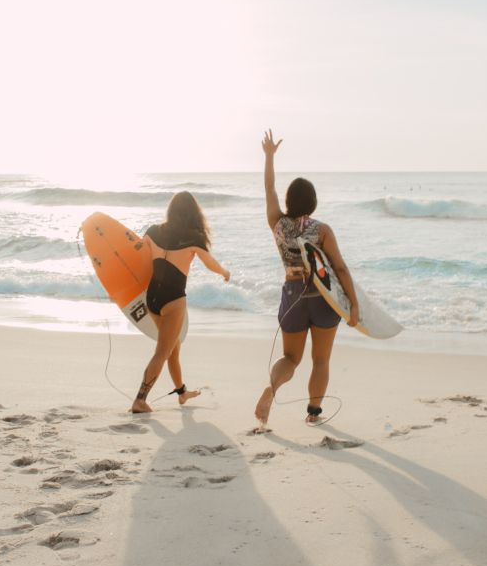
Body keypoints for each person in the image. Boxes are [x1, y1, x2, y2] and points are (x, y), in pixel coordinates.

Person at [254, 130, 358, 431]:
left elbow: (269, 187)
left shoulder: (278, 223)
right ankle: (313, 412)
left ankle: (271, 390)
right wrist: (354, 306)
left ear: (289, 201)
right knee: (321, 360)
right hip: (322, 298)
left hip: (292, 294)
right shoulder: (322, 229)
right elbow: (339, 268)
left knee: (290, 357)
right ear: (313, 202)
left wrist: (269, 156)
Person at [131, 191, 230, 414]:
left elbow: (136, 255)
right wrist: (225, 272)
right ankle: (140, 399)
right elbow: (210, 263)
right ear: (194, 212)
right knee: (162, 352)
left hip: (152, 298)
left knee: (172, 348)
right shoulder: (193, 237)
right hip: (173, 300)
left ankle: (182, 392)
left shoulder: (153, 231)